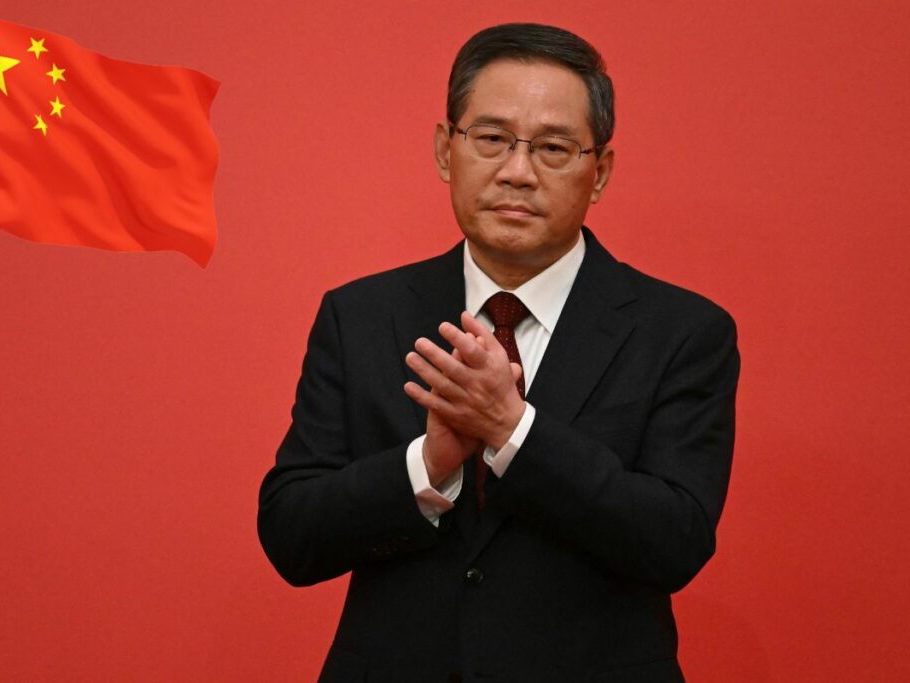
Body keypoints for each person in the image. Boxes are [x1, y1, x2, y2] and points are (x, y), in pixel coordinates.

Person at [258, 23, 739, 683]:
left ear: (599, 172)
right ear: (444, 150)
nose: (517, 172)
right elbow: (291, 534)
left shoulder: (682, 331)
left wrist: (513, 431)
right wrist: (428, 466)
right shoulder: (361, 315)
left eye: (554, 148)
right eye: (491, 139)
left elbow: (675, 541)